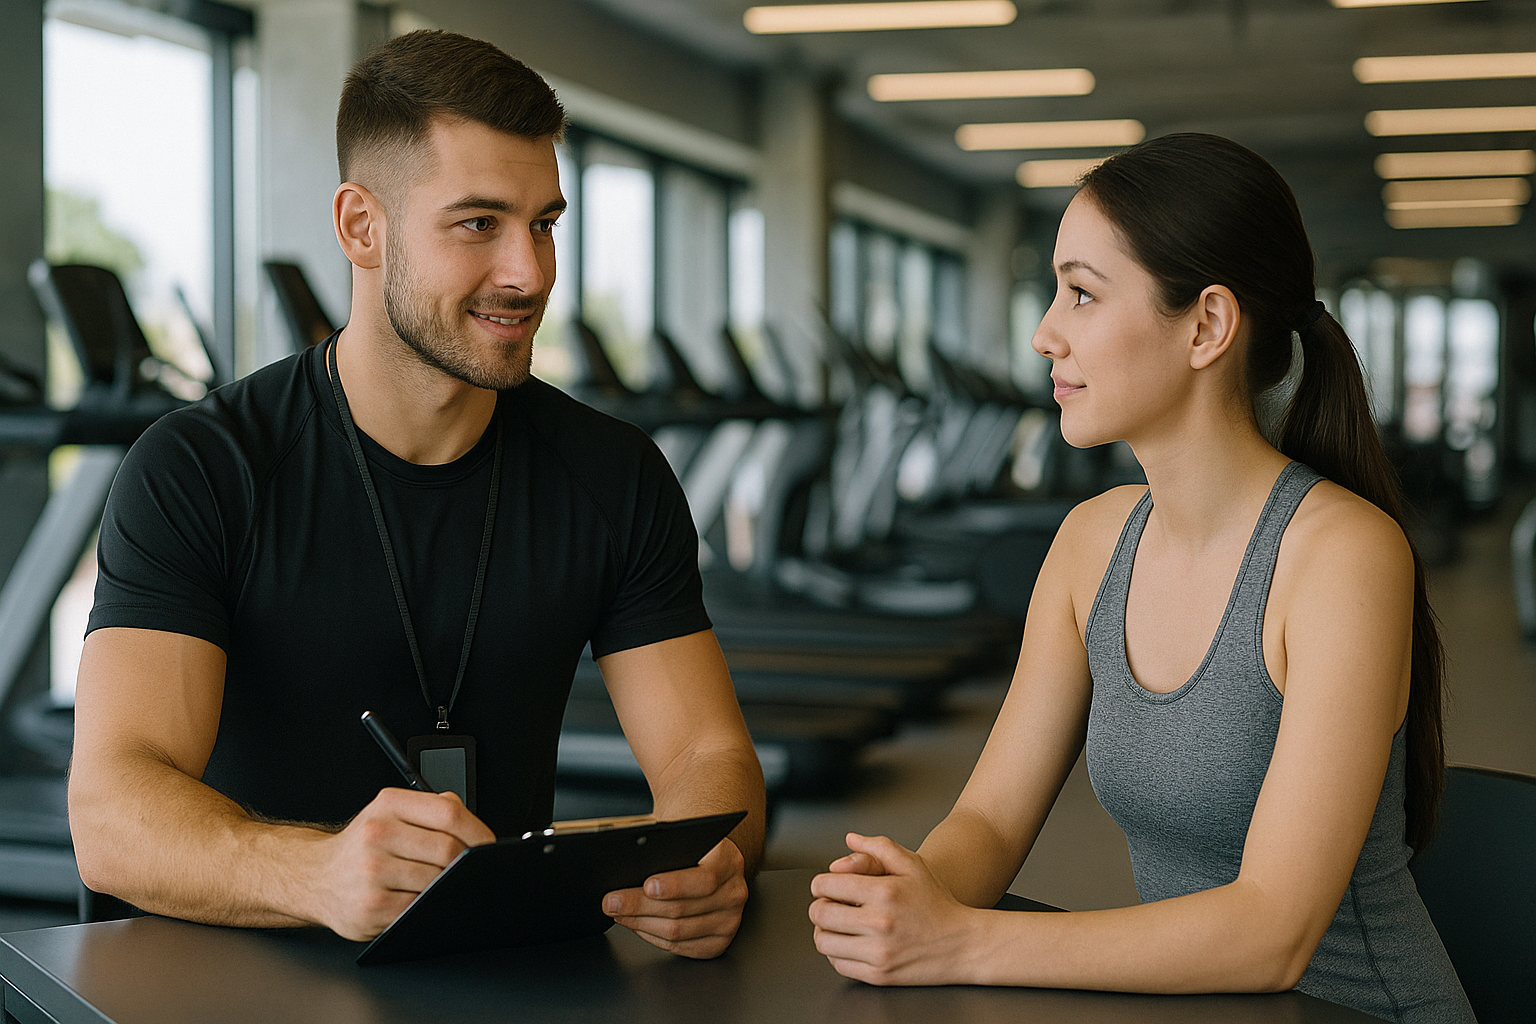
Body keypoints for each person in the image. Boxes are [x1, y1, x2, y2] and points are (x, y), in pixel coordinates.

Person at [68, 30, 764, 959]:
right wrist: (317, 872)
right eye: (479, 224)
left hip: (495, 970)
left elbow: (705, 757)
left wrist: (704, 857)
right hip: (232, 971)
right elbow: (112, 812)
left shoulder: (613, 473)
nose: (530, 272)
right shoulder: (200, 467)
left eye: (544, 224)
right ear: (362, 226)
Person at [809, 134, 1474, 1023]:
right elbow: (992, 821)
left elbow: (1272, 930)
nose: (1045, 332)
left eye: (1081, 293)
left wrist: (961, 940)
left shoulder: (1342, 557)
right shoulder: (1092, 543)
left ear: (1206, 325)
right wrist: (907, 893)